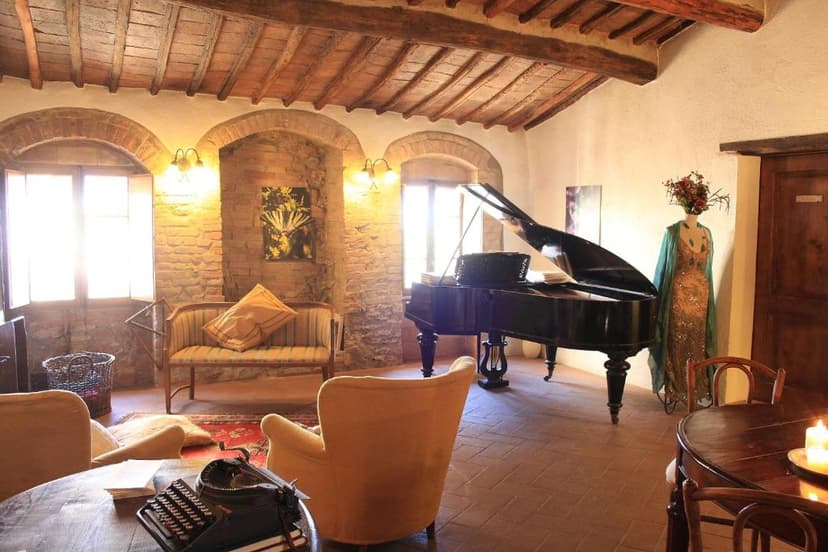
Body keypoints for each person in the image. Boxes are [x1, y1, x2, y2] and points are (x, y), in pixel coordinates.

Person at [648, 171, 729, 409]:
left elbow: (708, 270)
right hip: (678, 298)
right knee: (676, 342)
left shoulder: (707, 233)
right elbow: (663, 269)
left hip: (700, 300)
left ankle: (696, 387)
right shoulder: (672, 232)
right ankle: (676, 388)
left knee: (698, 342)